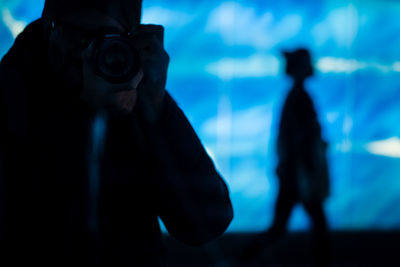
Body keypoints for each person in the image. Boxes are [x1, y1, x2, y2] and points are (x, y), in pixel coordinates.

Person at [0, 1, 233, 266]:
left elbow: (206, 222)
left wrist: (157, 106)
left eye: (103, 40)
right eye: (77, 36)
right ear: (50, 31)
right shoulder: (10, 98)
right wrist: (83, 117)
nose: (86, 53)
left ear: (127, 42)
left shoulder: (135, 101)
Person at [238, 48, 330, 265]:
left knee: (284, 226)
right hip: (299, 176)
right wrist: (308, 171)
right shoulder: (299, 99)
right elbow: (300, 140)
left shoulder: (296, 97)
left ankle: (241, 259)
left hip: (295, 175)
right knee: (312, 225)